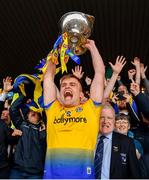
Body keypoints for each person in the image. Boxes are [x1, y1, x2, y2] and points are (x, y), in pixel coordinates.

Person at [43, 39, 105, 178]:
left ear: (81, 93)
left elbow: (99, 73)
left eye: (73, 84)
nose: (67, 87)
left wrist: (93, 48)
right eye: (64, 85)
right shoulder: (53, 109)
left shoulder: (91, 109)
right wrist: (56, 52)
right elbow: (48, 77)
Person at [94, 104, 140, 179]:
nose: (105, 121)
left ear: (114, 121)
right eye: (102, 117)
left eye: (109, 118)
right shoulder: (87, 139)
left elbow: (135, 175)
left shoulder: (127, 143)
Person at [9, 94, 46, 179]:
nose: (33, 112)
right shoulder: (22, 125)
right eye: (30, 111)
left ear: (40, 116)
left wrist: (43, 132)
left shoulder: (44, 129)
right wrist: (23, 95)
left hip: (35, 173)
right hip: (17, 170)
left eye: (36, 111)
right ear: (27, 116)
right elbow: (13, 109)